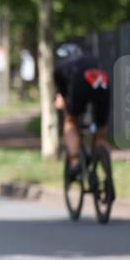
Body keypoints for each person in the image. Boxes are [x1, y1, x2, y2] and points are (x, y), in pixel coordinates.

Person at [53, 42, 110, 178]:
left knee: (70, 121)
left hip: (79, 83)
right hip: (102, 81)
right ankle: (107, 172)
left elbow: (63, 97)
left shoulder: (60, 68)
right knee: (101, 130)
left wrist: (65, 108)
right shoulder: (90, 59)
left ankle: (75, 162)